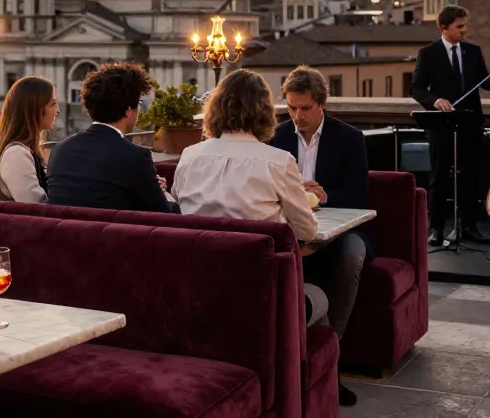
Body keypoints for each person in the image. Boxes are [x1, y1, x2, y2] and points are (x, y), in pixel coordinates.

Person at [172, 68, 330, 333]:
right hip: (256, 291)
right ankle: (304, 371)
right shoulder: (279, 162)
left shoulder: (189, 156)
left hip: (197, 287)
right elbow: (307, 230)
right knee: (320, 301)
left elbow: (178, 213)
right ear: (264, 112)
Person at [267, 66, 370, 408]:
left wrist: (325, 196)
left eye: (305, 108)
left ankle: (330, 362)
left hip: (340, 231)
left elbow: (358, 195)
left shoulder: (350, 139)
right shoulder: (274, 137)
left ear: (321, 104)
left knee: (353, 255)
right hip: (292, 229)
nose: (298, 116)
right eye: (292, 108)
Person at [411, 5, 490, 246]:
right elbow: (417, 88)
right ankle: (436, 229)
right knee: (439, 177)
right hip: (442, 125)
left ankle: (468, 226)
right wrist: (435, 101)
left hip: (469, 123)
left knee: (470, 177)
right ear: (444, 27)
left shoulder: (473, 51)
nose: (464, 30)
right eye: (459, 26)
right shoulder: (428, 53)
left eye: (465, 26)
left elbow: (486, 84)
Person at [46, 62, 177, 212]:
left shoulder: (59, 150)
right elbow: (164, 214)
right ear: (128, 110)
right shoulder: (135, 156)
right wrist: (164, 193)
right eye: (139, 103)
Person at [0, 76, 59, 202]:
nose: (57, 110)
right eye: (53, 104)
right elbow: (36, 206)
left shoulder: (24, 150)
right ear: (35, 109)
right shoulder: (16, 154)